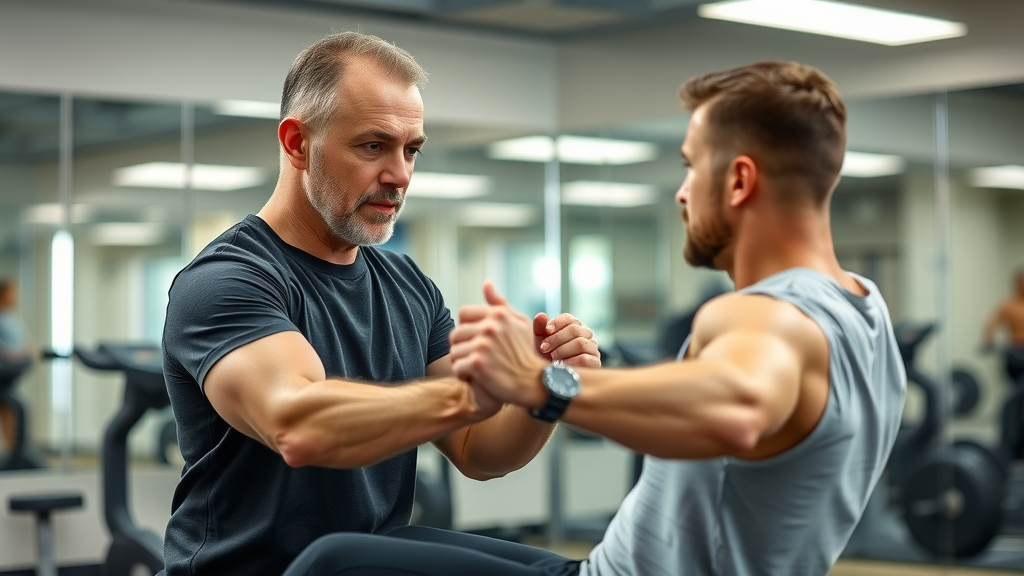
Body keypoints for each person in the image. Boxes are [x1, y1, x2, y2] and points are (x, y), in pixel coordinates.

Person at [292, 61, 907, 576]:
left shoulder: (760, 317)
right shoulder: (866, 311)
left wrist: (542, 384)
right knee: (397, 545)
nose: (683, 192)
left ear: (740, 181)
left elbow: (741, 406)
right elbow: (481, 456)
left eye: (693, 165)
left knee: (332, 563)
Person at [160, 32, 600, 576]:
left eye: (411, 149)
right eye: (373, 146)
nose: (400, 175)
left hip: (365, 561)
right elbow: (297, 422)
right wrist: (474, 393)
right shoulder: (228, 280)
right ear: (298, 143)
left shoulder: (406, 284)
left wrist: (547, 388)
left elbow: (477, 452)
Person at [0, 278, 30, 452]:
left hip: (11, 374)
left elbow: (22, 342)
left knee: (11, 408)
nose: (15, 297)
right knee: (6, 407)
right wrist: (9, 354)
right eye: (12, 293)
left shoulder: (13, 319)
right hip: (3, 371)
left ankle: (13, 451)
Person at [982, 270, 1024, 383]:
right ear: (1017, 284)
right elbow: (991, 324)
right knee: (1017, 390)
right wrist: (989, 342)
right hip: (1015, 353)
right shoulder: (1008, 306)